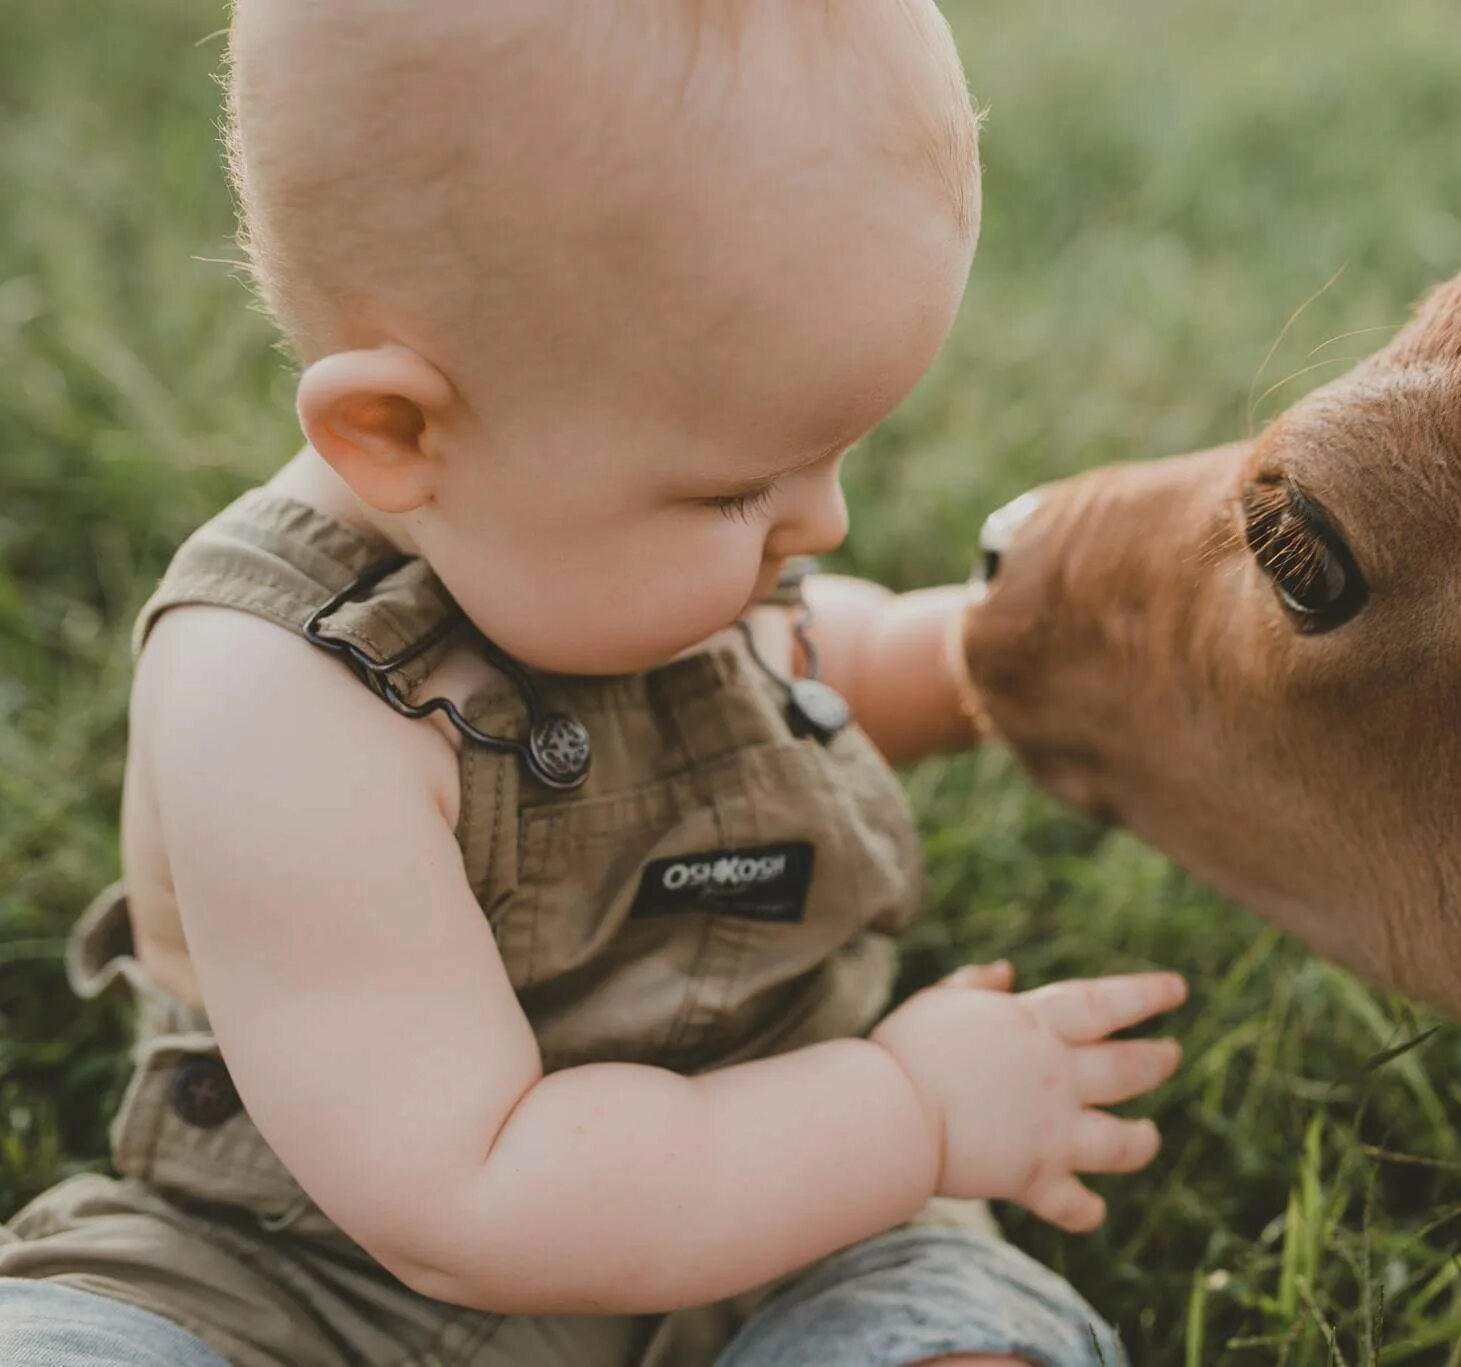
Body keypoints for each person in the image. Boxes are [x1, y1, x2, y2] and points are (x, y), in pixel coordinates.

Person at [0, 2, 1186, 1363]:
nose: (822, 529)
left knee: (949, 1339)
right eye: (741, 488)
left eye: (838, 456)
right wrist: (909, 1113)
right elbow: (469, 1195)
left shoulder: (622, 541)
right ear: (397, 432)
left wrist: (979, 660)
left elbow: (807, 660)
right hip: (304, 1291)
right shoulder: (275, 705)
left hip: (800, 1236)